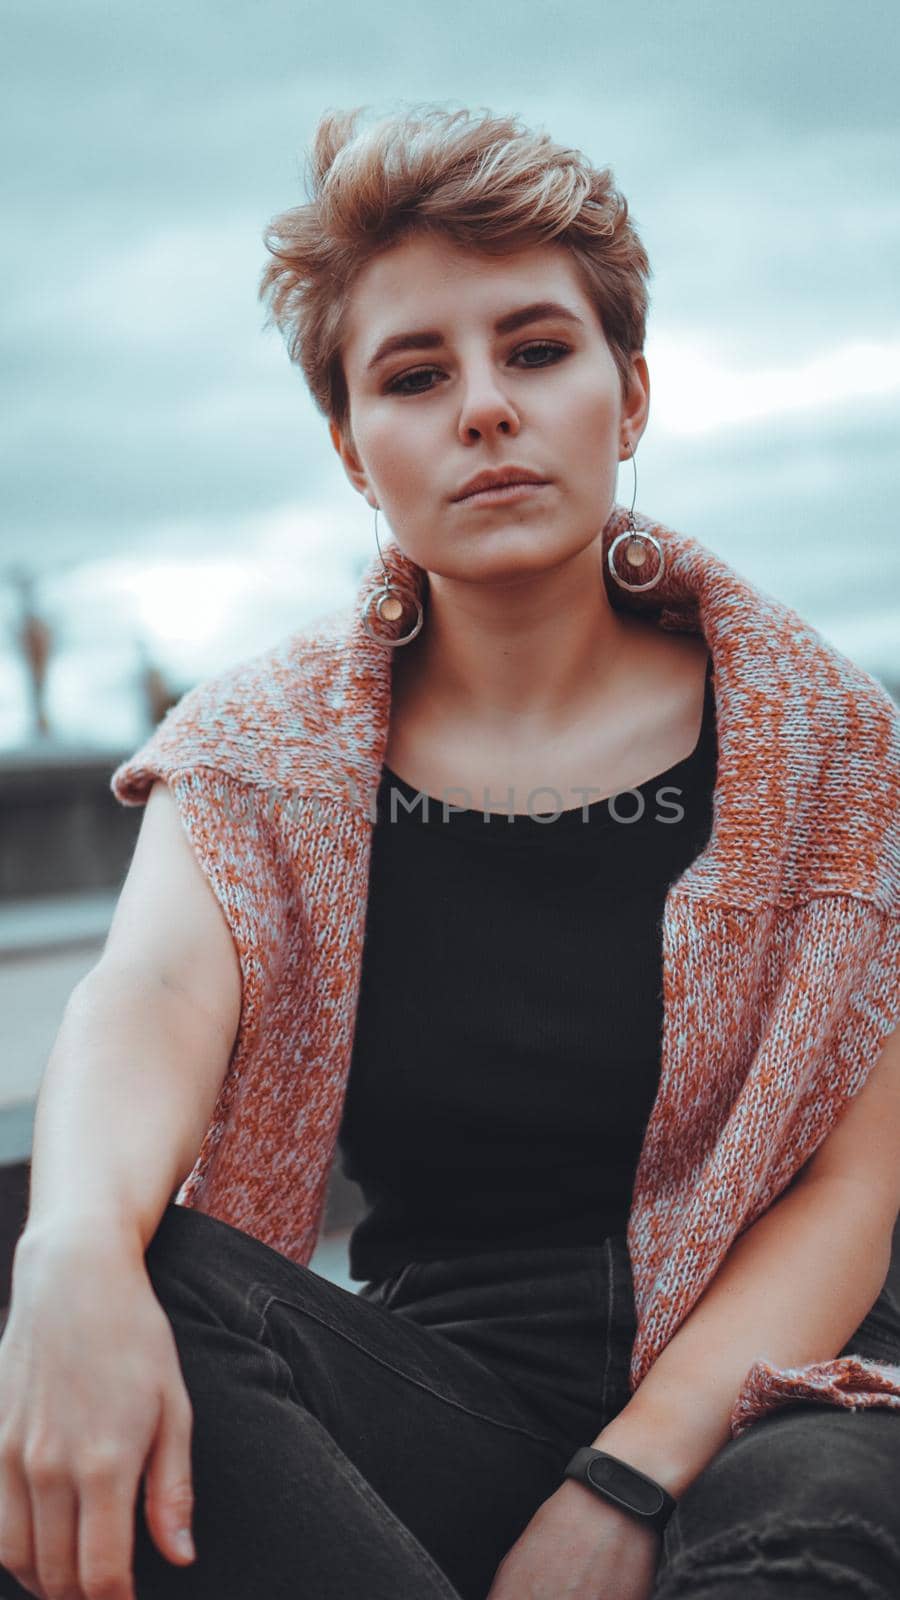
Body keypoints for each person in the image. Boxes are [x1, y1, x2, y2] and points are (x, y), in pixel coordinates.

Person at [1, 103, 899, 1600]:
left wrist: (622, 1483)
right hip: (444, 1400)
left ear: (633, 391)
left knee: (802, 1533)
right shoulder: (263, 755)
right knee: (129, 1310)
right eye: (416, 375)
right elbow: (146, 1001)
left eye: (537, 350)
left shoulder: (828, 746)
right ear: (356, 450)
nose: (484, 406)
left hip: (782, 1391)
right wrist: (71, 1255)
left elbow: (854, 1196)